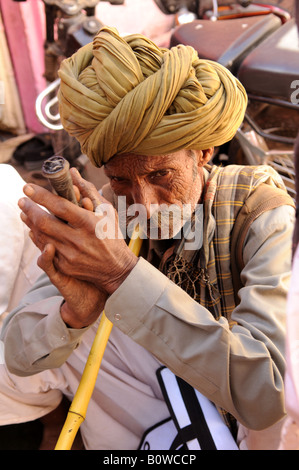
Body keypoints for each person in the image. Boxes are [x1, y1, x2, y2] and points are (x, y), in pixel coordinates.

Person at [0, 26, 295, 450]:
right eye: (121, 179)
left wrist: (122, 276)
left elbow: (268, 395)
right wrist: (72, 315)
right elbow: (20, 359)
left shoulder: (261, 212)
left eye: (161, 175)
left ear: (203, 152)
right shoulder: (109, 212)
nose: (146, 203)